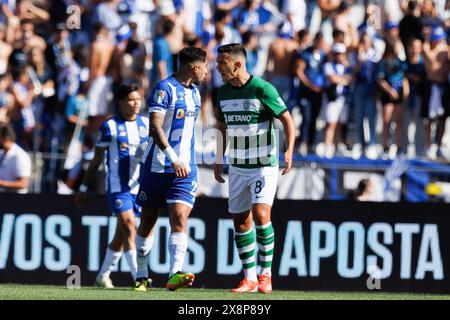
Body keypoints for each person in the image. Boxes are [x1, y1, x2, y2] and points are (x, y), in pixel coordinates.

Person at [214, 43, 295, 294]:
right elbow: (222, 127)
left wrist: (289, 149)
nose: (217, 68)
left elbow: (287, 118)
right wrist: (219, 158)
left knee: (261, 215)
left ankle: (265, 275)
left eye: (221, 63)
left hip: (263, 164)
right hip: (238, 166)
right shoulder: (222, 93)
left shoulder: (262, 88)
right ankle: (248, 278)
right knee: (240, 221)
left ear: (237, 64)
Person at [134, 46, 208, 292]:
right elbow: (155, 127)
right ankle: (141, 275)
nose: (207, 72)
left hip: (185, 169)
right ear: (195, 67)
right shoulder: (164, 89)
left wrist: (182, 160)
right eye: (205, 67)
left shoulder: (196, 94)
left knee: (179, 217)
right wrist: (172, 157)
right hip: (158, 166)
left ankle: (174, 273)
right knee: (148, 220)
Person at [75, 84, 149, 288]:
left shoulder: (146, 124)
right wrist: (83, 188)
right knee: (129, 226)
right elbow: (97, 160)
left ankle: (102, 275)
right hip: (118, 187)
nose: (135, 104)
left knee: (121, 235)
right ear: (121, 102)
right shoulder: (110, 127)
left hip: (140, 188)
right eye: (131, 100)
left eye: (138, 100)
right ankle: (139, 278)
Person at [0, 123, 32, 193]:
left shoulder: (20, 155)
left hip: (15, 201)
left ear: (6, 138)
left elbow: (23, 184)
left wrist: (1, 183)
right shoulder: (1, 154)